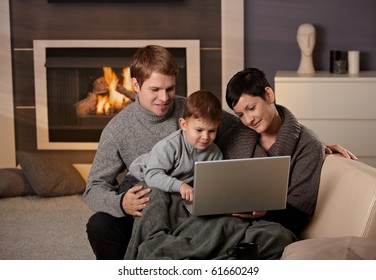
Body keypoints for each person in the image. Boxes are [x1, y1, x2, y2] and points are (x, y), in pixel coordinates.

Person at [84, 45, 356, 260]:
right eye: (155, 89)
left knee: (226, 227)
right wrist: (120, 204)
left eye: (170, 88)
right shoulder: (117, 129)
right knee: (100, 226)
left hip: (190, 202)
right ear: (135, 85)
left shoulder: (193, 109)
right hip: (146, 203)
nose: (164, 98)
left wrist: (316, 144)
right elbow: (94, 187)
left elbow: (248, 124)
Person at [218, 67, 323, 234]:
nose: (248, 120)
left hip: (273, 229)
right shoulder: (231, 138)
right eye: (240, 115)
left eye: (251, 108)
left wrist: (267, 211)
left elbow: (299, 215)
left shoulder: (309, 145)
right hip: (226, 224)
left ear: (269, 95)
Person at [120, 90, 223, 202]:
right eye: (199, 130)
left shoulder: (215, 154)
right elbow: (152, 175)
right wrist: (180, 186)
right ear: (184, 125)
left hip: (172, 184)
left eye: (212, 131)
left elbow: (212, 183)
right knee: (157, 197)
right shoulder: (169, 146)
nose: (205, 137)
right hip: (140, 179)